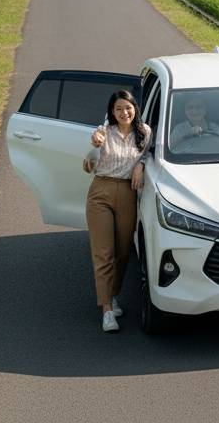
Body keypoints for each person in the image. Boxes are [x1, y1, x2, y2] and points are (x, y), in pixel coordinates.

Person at [83, 89, 151, 332]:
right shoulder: (103, 133)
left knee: (123, 252)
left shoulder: (144, 132)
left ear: (135, 109)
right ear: (112, 112)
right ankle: (107, 311)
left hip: (127, 194)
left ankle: (111, 295)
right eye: (118, 109)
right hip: (100, 192)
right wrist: (94, 145)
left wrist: (140, 165)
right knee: (104, 253)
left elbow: (150, 154)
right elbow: (87, 165)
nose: (124, 112)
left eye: (128, 107)